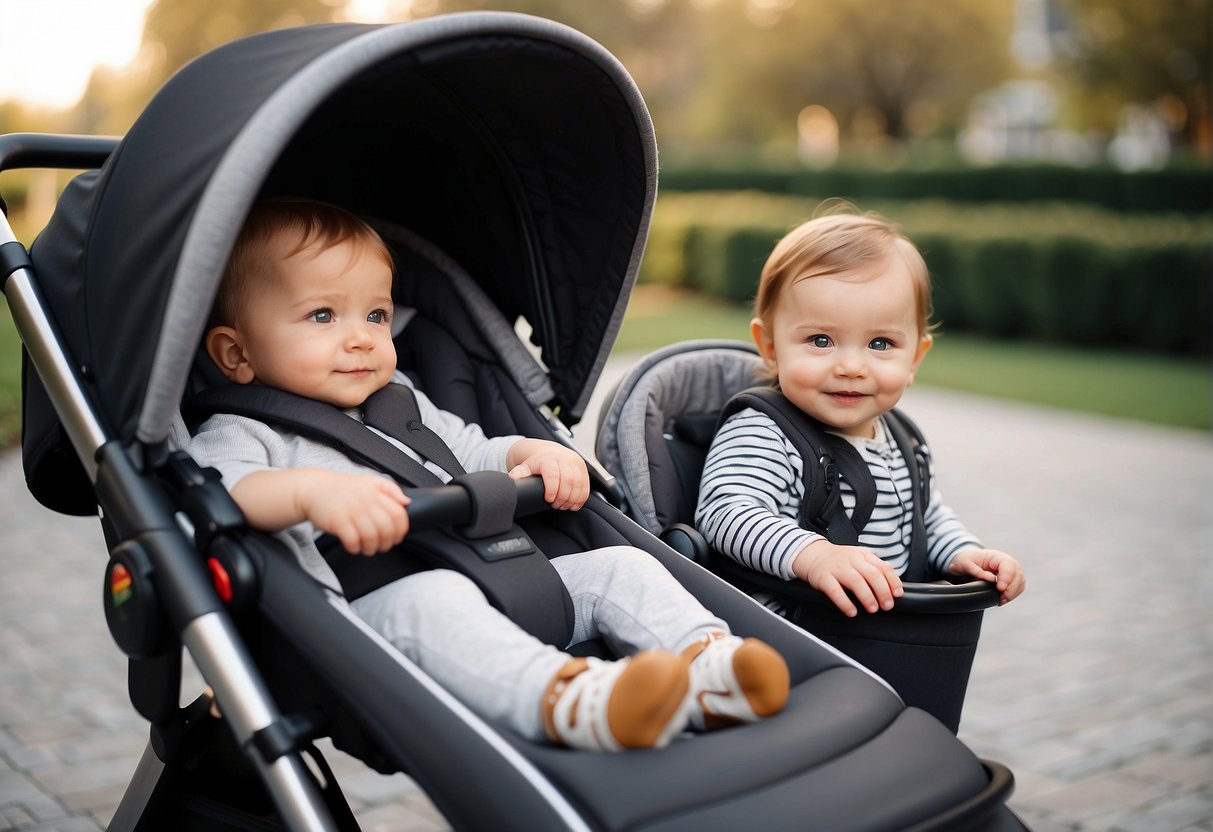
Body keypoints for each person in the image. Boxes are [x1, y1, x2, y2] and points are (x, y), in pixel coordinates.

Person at [188, 198, 789, 753]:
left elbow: (471, 449)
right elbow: (226, 495)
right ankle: (573, 701)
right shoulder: (242, 429)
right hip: (364, 624)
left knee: (620, 566)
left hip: (492, 575)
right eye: (322, 315)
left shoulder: (400, 401)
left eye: (376, 315)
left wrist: (529, 452)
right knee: (435, 600)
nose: (361, 339)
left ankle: (711, 666)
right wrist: (311, 492)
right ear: (236, 354)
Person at [695, 208, 1025, 620]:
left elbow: (925, 516)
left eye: (881, 344)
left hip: (881, 633)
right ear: (771, 347)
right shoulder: (765, 430)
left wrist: (964, 552)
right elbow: (726, 513)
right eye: (821, 339)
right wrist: (813, 555)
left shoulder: (900, 438)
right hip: (795, 634)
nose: (851, 366)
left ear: (914, 359)